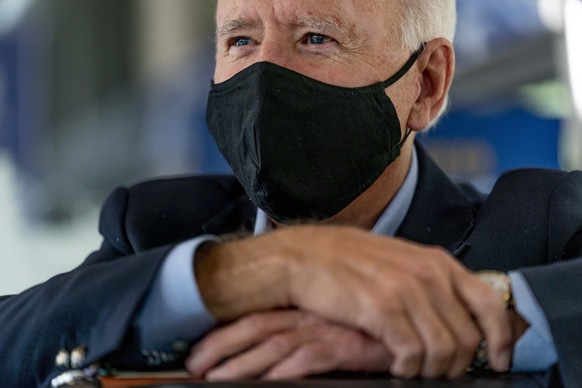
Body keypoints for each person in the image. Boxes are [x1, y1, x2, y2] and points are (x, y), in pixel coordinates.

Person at [1, 0, 581, 387]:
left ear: (426, 84)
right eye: (241, 40)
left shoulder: (539, 224)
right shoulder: (153, 228)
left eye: (315, 37)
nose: (264, 76)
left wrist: (473, 320)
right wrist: (257, 270)